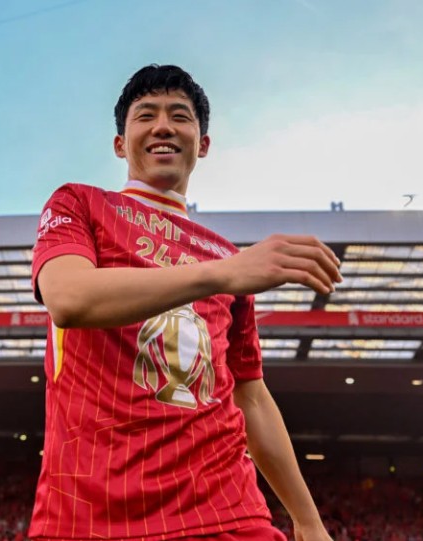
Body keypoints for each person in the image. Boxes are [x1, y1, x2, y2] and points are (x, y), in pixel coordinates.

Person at [29, 64, 341, 541]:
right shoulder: (80, 204)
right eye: (145, 115)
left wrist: (308, 520)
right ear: (120, 144)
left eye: (180, 116)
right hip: (93, 514)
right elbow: (69, 299)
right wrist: (223, 273)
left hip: (227, 511)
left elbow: (251, 397)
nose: (163, 126)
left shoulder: (227, 258)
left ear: (203, 143)